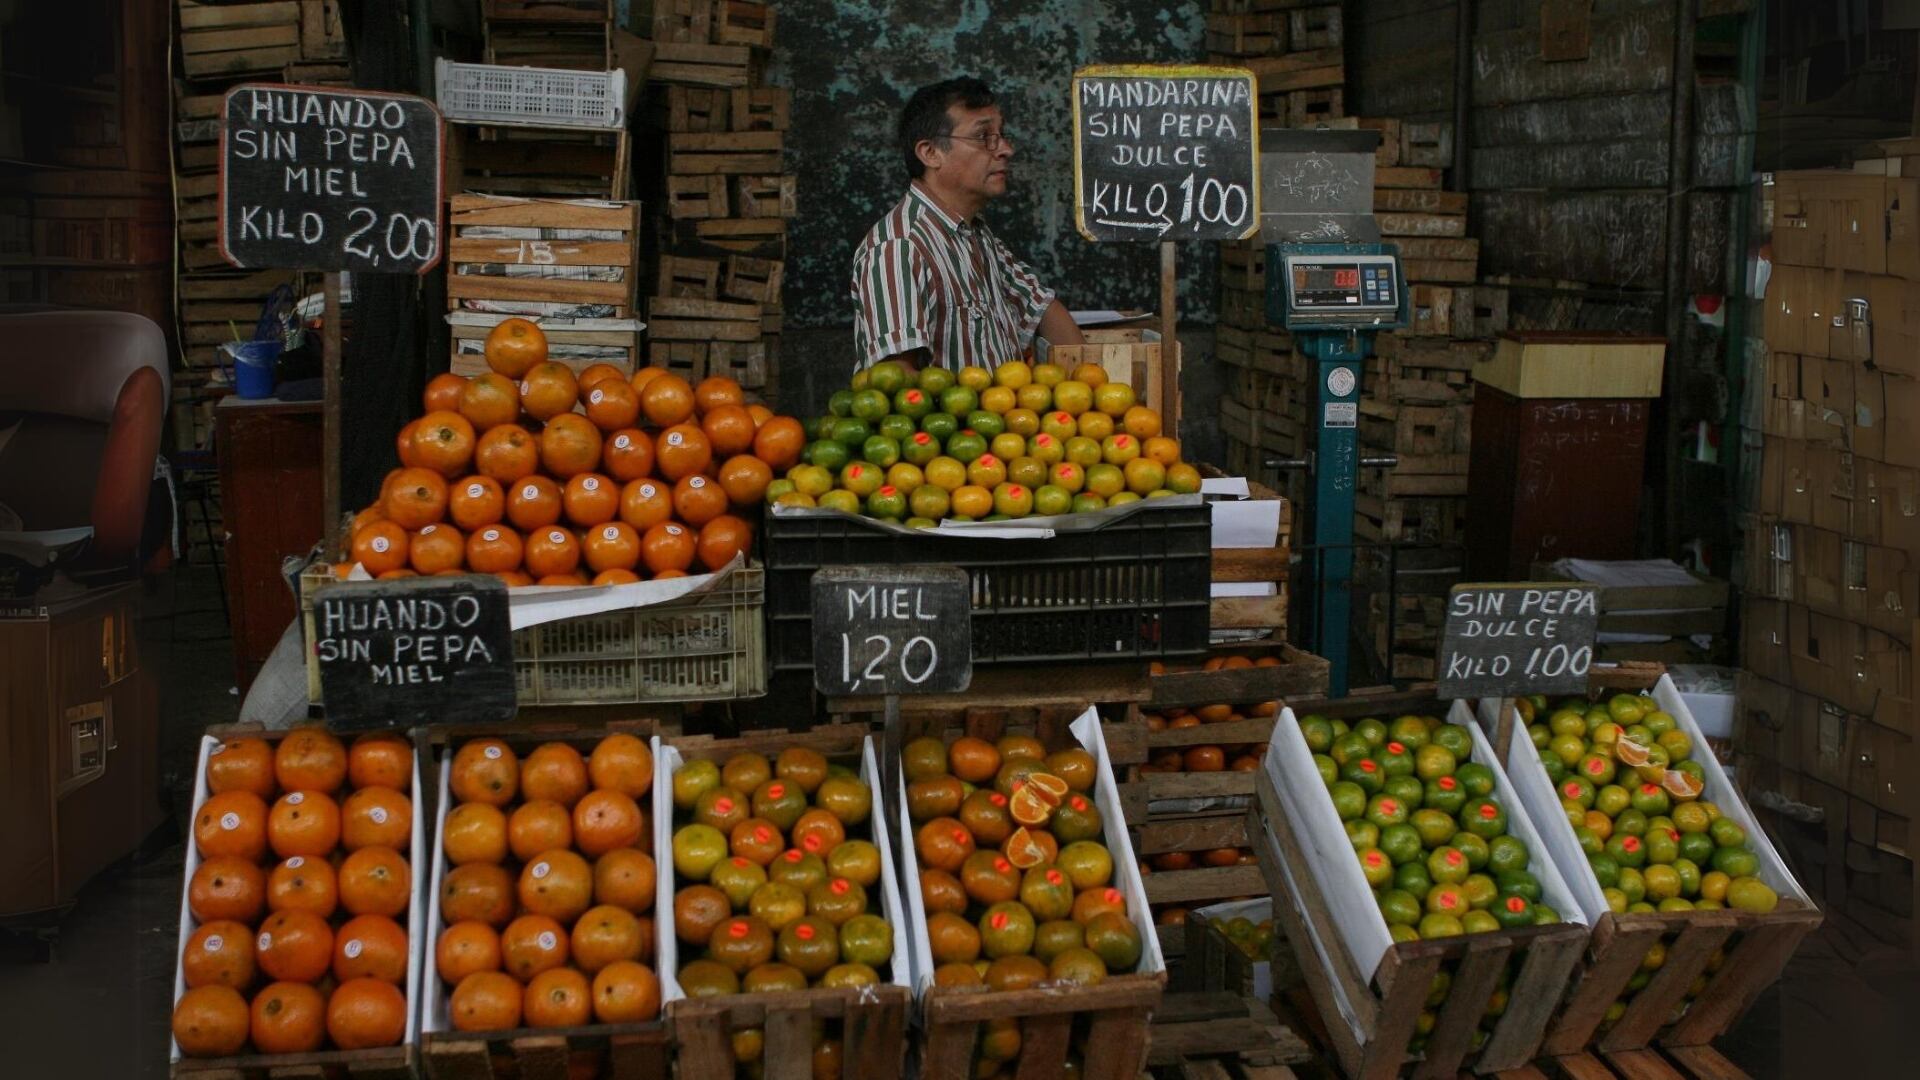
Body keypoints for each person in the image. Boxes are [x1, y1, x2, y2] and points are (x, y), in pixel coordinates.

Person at [851, 76, 1084, 372]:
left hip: (1007, 416)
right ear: (930, 153)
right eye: (983, 136)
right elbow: (896, 384)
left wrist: (1089, 384)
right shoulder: (900, 248)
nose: (1004, 150)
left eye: (1001, 134)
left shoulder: (975, 234)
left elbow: (1043, 308)